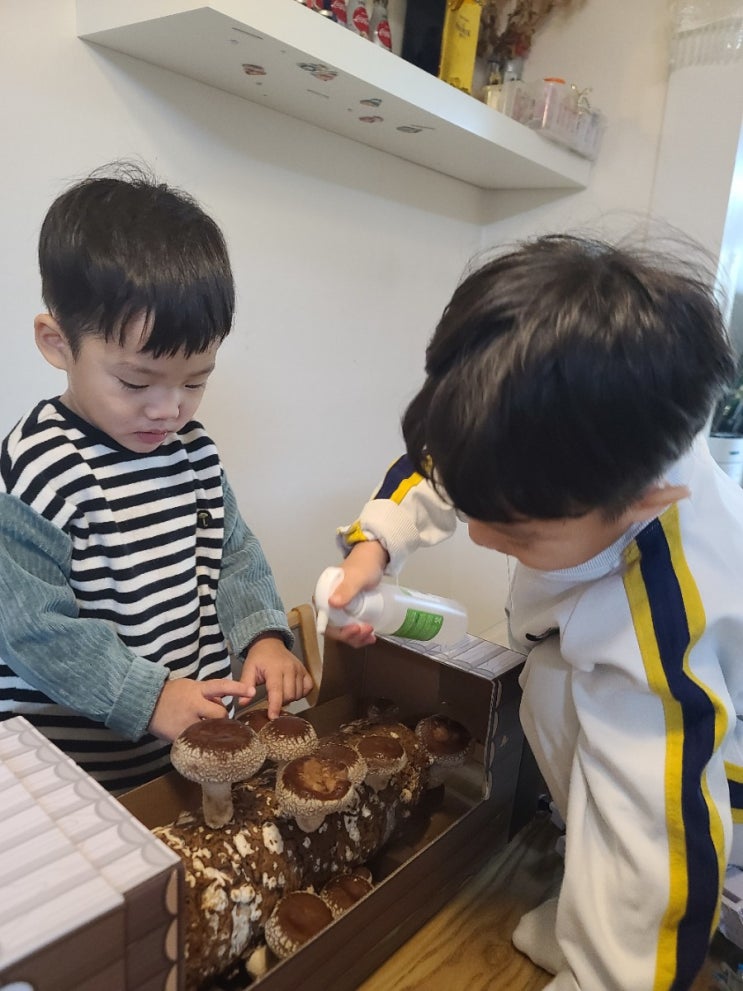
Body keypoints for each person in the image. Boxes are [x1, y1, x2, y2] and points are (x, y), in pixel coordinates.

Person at [326, 233, 743, 990]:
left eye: (517, 533)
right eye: (477, 508)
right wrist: (373, 547)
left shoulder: (663, 617)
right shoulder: (550, 439)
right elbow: (441, 467)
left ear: (641, 503)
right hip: (583, 668)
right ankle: (586, 903)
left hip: (709, 769)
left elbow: (660, 835)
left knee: (632, 837)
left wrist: (613, 968)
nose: (483, 538)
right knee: (551, 699)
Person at [0, 164, 312, 794]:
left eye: (196, 381)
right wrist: (146, 695)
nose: (169, 410)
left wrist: (264, 636)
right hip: (70, 777)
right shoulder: (38, 466)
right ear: (57, 343)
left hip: (180, 755)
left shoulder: (193, 453)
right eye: (135, 382)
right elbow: (30, 627)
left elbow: (235, 556)